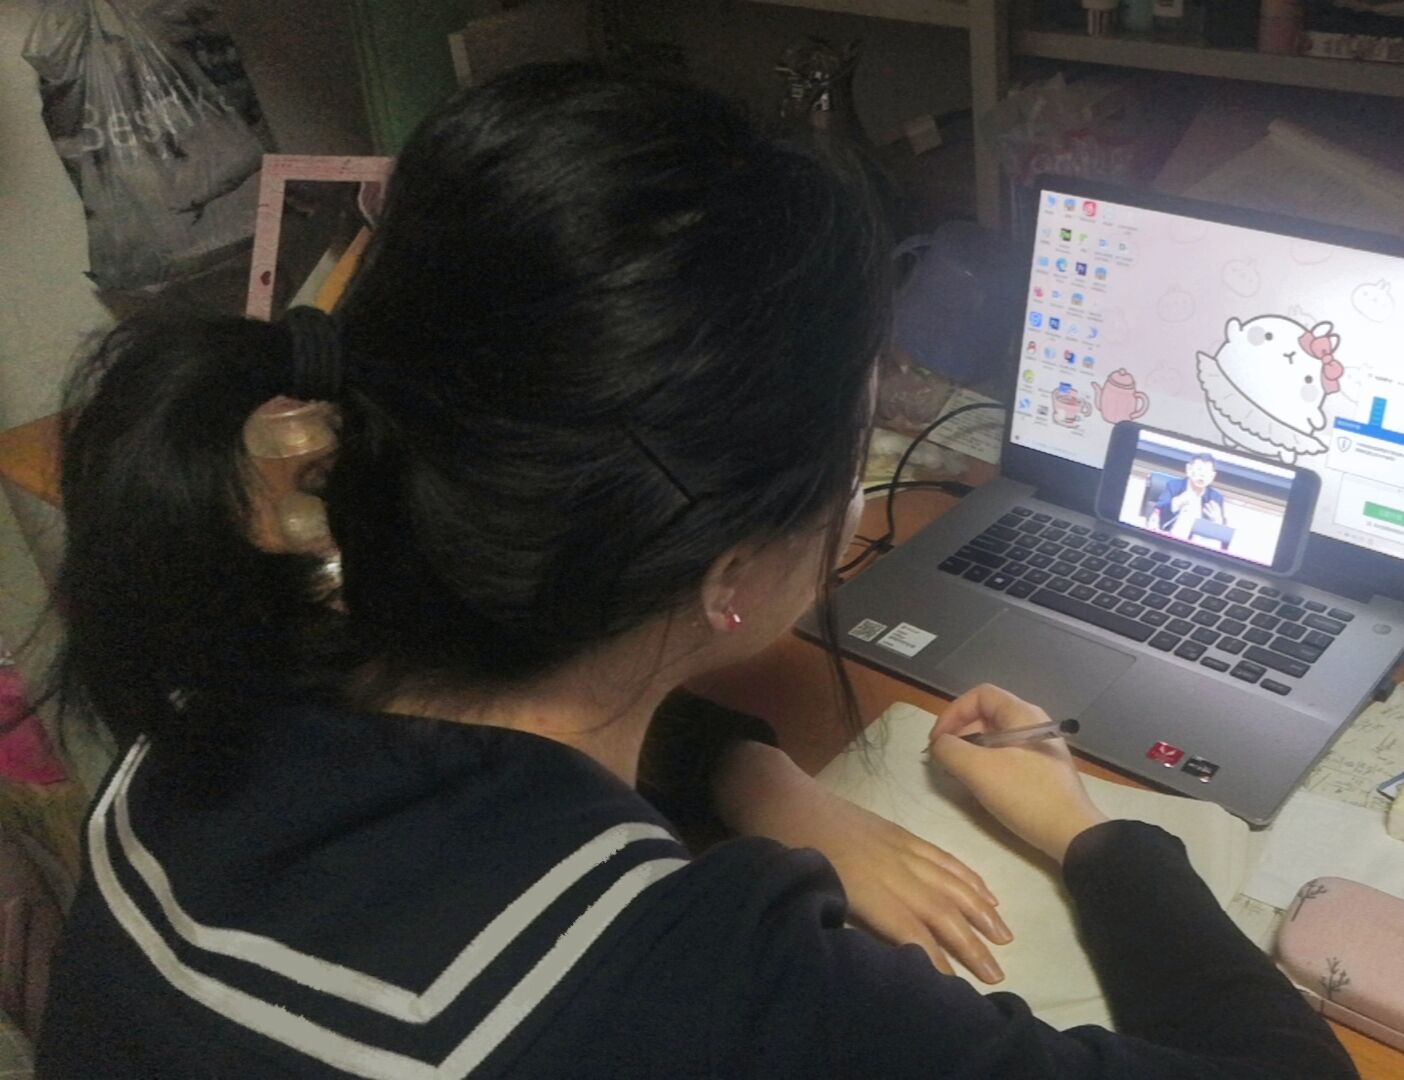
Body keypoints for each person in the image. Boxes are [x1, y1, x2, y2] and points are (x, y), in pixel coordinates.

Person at [38, 65, 1355, 1079]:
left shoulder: (210, 698)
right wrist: (1095, 834)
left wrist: (746, 771)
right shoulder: (697, 989)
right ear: (734, 570)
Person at [1154, 452, 1227, 539]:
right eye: (1199, 469)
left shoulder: (1216, 498)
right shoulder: (1173, 486)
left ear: (1212, 476)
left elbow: (1223, 537)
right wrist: (1177, 502)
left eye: (1207, 472)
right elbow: (1158, 511)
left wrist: (1218, 520)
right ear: (1189, 469)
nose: (1202, 475)